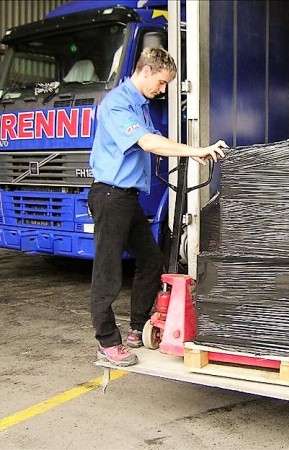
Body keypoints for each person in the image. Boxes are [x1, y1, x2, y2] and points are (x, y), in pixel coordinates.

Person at [88, 47, 227, 367]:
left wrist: (193, 152)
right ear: (146, 71)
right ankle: (107, 342)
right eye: (162, 82)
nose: (162, 89)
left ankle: (137, 327)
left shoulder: (140, 106)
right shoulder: (118, 103)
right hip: (110, 195)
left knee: (152, 261)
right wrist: (194, 150)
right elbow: (148, 143)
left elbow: (155, 138)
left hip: (127, 198)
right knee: (107, 272)